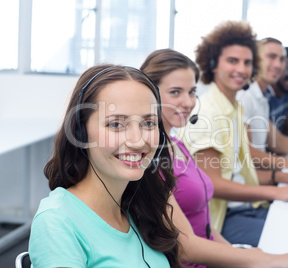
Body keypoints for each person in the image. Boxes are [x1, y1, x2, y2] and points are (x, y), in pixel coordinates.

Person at [141, 48, 288, 268]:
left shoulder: (177, 145)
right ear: (150, 93)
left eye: (192, 91)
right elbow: (185, 246)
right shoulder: (149, 157)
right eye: (175, 92)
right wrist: (264, 259)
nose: (188, 102)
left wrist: (244, 254)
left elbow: (203, 224)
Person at [180, 20, 288, 248]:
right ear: (213, 64)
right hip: (220, 222)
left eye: (247, 62)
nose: (241, 69)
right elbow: (214, 184)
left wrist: (286, 180)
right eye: (232, 61)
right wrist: (279, 191)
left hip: (245, 208)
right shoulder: (208, 112)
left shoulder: (233, 108)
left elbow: (241, 171)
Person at [29, 65, 182, 267]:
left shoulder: (139, 206)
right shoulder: (58, 222)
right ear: (80, 133)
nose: (137, 141)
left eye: (148, 123)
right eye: (116, 124)